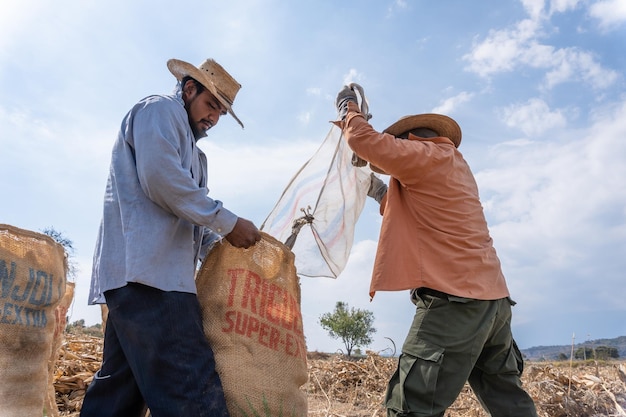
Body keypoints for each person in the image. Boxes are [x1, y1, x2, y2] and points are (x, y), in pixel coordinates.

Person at [335, 85, 538, 417]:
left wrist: (348, 108)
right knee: (507, 400)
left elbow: (362, 140)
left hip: (454, 303)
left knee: (411, 405)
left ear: (412, 141)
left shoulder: (423, 155)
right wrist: (375, 190)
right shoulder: (453, 165)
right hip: (493, 303)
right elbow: (412, 209)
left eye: (399, 144)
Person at [80, 58, 261, 417]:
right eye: (211, 105)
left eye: (221, 114)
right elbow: (162, 181)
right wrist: (228, 222)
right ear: (189, 88)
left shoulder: (198, 156)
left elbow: (191, 220)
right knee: (191, 391)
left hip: (146, 279)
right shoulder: (159, 111)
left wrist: (224, 242)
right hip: (152, 278)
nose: (213, 118)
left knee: (118, 394)